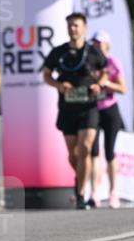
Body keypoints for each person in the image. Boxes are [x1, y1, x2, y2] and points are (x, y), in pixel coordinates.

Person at [42, 12, 106, 209]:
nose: (73, 29)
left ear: (84, 27)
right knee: (74, 152)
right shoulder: (58, 52)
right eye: (70, 25)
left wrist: (99, 85)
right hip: (67, 107)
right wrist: (59, 86)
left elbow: (104, 72)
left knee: (86, 148)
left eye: (76, 25)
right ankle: (80, 175)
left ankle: (80, 194)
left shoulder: (94, 52)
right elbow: (46, 75)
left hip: (88, 106)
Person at [88, 29, 126, 209]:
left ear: (106, 44)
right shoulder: (88, 64)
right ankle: (94, 192)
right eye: (93, 43)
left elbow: (122, 88)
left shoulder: (112, 62)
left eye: (99, 43)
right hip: (93, 109)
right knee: (93, 151)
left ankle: (113, 191)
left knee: (109, 150)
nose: (95, 46)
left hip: (110, 109)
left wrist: (106, 83)